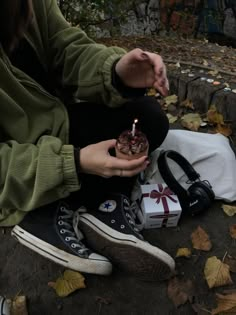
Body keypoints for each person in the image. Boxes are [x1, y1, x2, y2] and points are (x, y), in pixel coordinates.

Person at [0, 0, 175, 281]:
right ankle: (39, 214)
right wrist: (74, 163)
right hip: (16, 167)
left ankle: (99, 208)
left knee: (149, 118)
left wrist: (116, 72)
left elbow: (66, 48)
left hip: (56, 124)